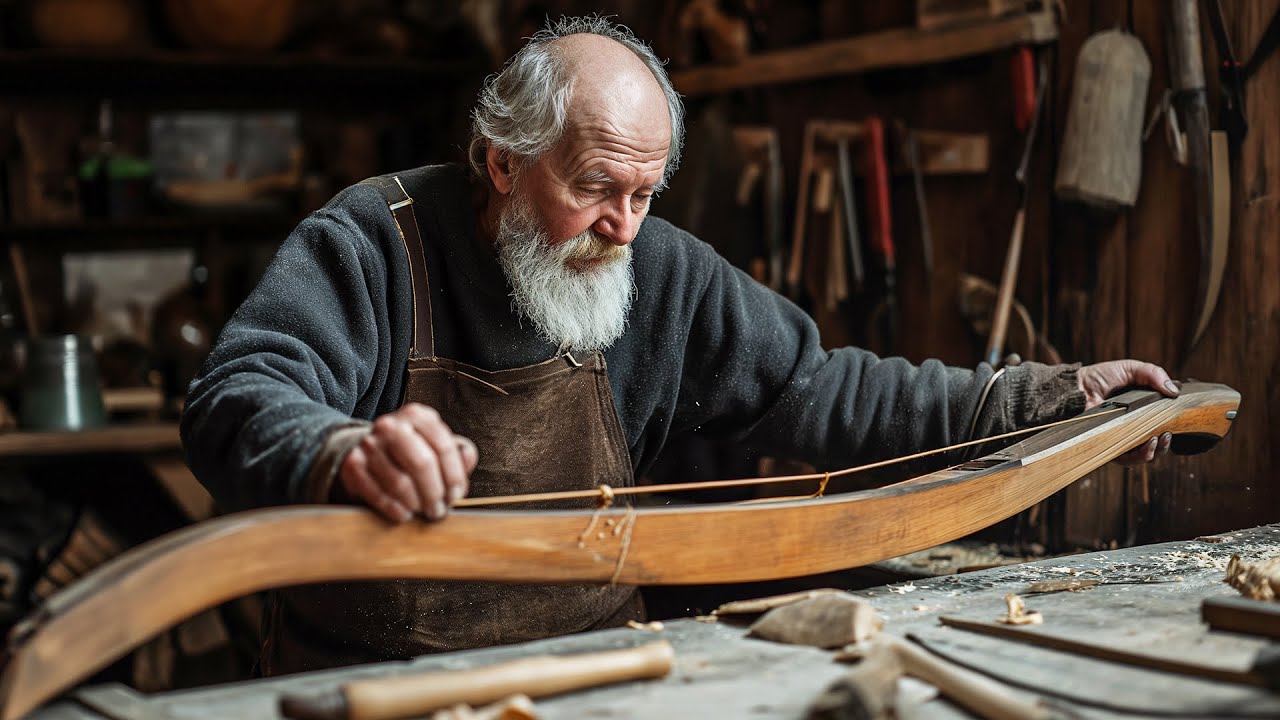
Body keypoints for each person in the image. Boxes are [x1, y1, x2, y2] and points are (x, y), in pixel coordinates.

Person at [180, 15, 1178, 674]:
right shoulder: (372, 242)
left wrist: (1045, 400)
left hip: (596, 677)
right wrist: (340, 450)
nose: (623, 226)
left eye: (644, 192)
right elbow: (237, 396)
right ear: (500, 162)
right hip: (371, 685)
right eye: (593, 188)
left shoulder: (655, 265)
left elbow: (824, 389)